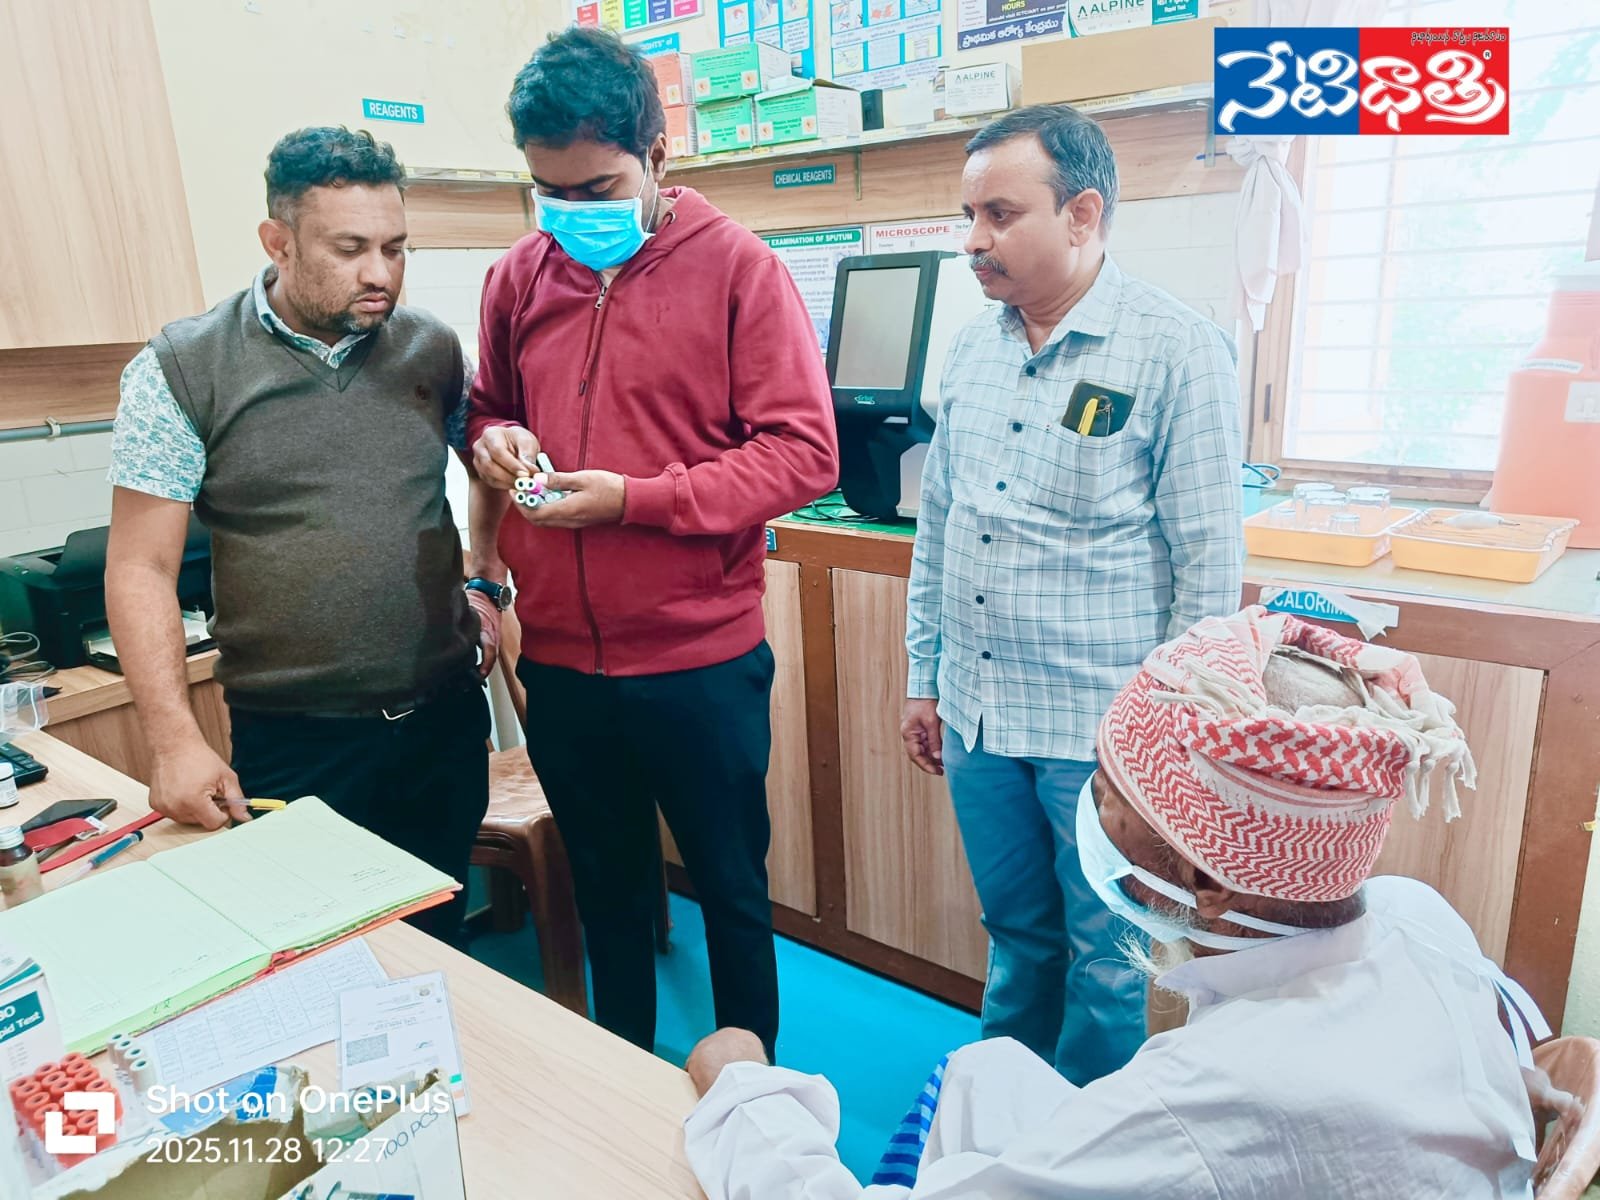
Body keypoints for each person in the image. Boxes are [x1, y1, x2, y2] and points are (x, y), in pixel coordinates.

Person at [684, 606, 1549, 1198]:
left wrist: (748, 1091)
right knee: (988, 1072)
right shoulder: (1414, 914)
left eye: (1109, 796)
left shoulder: (1207, 1095)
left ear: (1207, 880)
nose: (1085, 810)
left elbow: (1191, 1122)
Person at [467, 27, 838, 1061]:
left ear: (659, 156)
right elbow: (487, 407)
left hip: (699, 660)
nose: (571, 216)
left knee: (729, 887)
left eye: (597, 186)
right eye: (548, 191)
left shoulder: (739, 270)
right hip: (565, 664)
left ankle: (755, 1093)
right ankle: (620, 1070)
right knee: (608, 886)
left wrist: (635, 499)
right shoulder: (517, 276)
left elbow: (804, 455)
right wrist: (492, 440)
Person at [899, 102, 1244, 1084]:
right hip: (977, 716)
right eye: (968, 216)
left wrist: (1170, 744)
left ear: (1082, 215)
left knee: (1106, 960)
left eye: (999, 215)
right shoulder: (971, 349)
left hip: (1102, 736)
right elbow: (942, 534)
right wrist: (924, 679)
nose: (973, 242)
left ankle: (1084, 1154)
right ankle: (1001, 1111)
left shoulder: (1176, 350)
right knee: (1014, 936)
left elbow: (1208, 568)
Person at [105, 127, 506, 944]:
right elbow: (141, 567)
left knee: (444, 949)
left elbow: (485, 459)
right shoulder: (184, 366)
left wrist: (483, 576)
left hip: (442, 722)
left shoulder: (430, 346)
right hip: (297, 739)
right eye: (351, 248)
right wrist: (175, 740)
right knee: (320, 961)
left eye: (396, 248)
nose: (380, 274)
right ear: (277, 243)